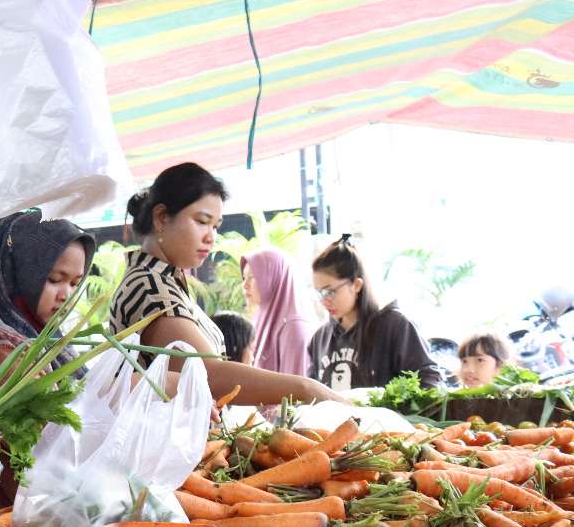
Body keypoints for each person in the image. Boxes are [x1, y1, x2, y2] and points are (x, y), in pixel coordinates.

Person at [109, 162, 342, 405]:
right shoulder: (149, 286)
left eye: (215, 226)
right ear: (161, 218)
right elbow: (206, 374)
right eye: (201, 221)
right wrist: (304, 388)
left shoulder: (165, 280)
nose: (211, 237)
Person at [0, 212, 95, 394]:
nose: (66, 295)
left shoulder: (41, 328)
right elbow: (41, 416)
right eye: (54, 279)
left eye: (75, 284)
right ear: (19, 273)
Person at [308, 235, 441, 391]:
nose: (324, 301)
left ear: (356, 285)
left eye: (329, 292)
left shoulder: (394, 326)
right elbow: (313, 393)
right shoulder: (320, 338)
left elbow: (429, 381)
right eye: (319, 293)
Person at [242, 248, 315, 376]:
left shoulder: (294, 328)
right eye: (244, 278)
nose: (245, 285)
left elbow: (296, 392)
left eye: (252, 277)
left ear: (273, 278)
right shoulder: (263, 317)